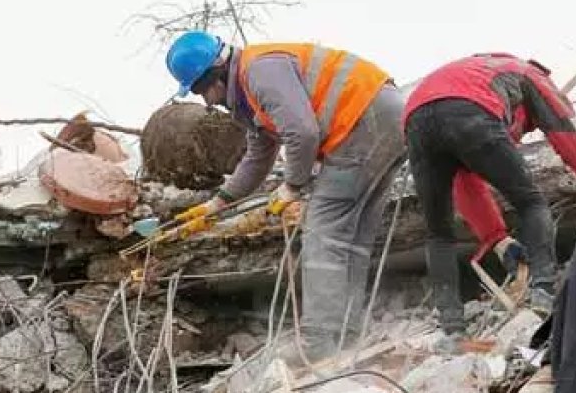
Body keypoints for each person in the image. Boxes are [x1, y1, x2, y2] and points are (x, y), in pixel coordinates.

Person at [164, 31, 405, 361]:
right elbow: (258, 156)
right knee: (351, 239)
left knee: (323, 234)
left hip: (362, 120)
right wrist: (218, 202)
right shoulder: (249, 96)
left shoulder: (260, 71)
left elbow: (303, 133)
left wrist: (293, 184)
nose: (206, 101)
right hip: (382, 116)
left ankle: (319, 343)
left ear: (215, 73)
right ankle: (346, 333)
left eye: (201, 89)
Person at [402, 53, 576, 341]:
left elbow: (467, 181)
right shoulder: (531, 76)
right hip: (471, 109)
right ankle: (543, 291)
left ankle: (452, 328)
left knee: (439, 233)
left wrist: (497, 239)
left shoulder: (475, 73)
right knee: (531, 202)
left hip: (416, 119)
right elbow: (567, 128)